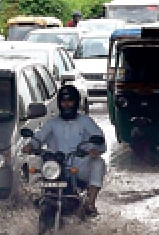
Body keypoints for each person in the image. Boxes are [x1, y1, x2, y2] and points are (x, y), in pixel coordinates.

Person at [25, 85, 107, 213]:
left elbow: (100, 139)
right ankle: (36, 200)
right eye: (63, 101)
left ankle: (90, 203)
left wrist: (95, 150)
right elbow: (39, 137)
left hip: (79, 165)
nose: (67, 105)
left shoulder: (86, 121)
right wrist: (31, 146)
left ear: (76, 103)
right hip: (56, 166)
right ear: (59, 103)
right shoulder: (52, 123)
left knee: (99, 163)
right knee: (34, 167)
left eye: (70, 101)